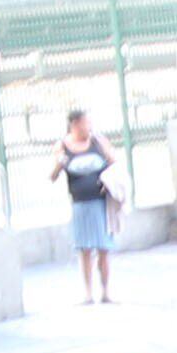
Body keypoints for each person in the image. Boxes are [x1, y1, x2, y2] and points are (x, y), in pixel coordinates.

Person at [51, 110, 119, 303]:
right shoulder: (62, 146)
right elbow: (53, 176)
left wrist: (108, 154)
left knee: (104, 248)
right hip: (80, 204)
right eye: (83, 123)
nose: (87, 127)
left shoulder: (98, 141)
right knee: (85, 250)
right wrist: (59, 163)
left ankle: (106, 291)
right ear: (74, 124)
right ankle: (88, 293)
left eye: (88, 123)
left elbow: (114, 163)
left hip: (101, 202)